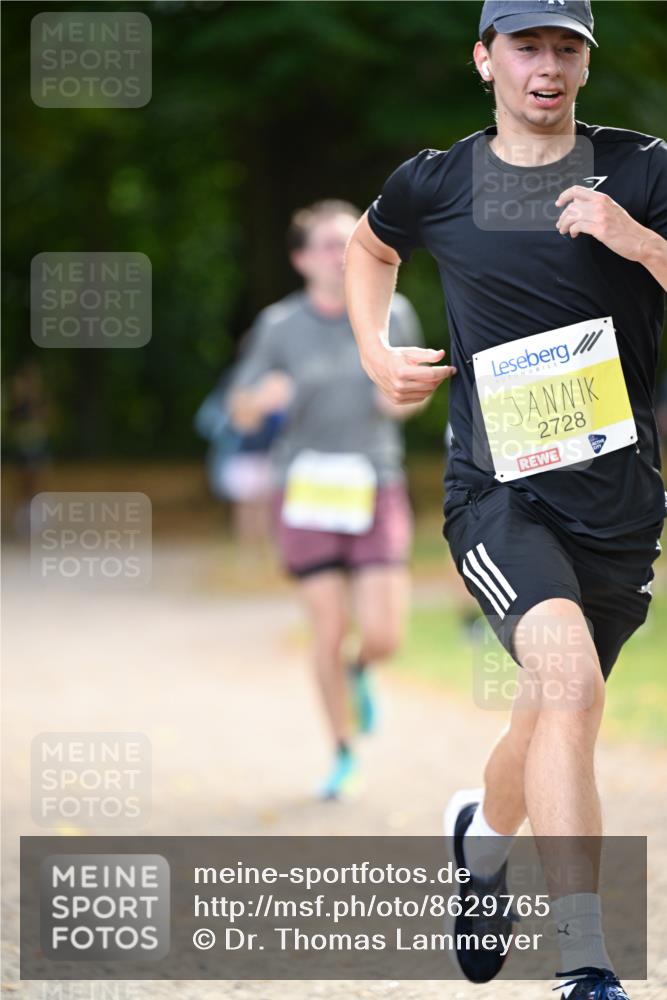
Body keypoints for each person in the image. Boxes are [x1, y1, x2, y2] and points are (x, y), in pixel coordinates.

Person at [345, 1, 666, 997]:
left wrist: (638, 241)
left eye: (566, 48)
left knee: (550, 708)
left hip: (619, 501)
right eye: (526, 46)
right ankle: (584, 963)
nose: (548, 67)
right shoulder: (435, 183)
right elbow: (369, 248)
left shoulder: (645, 170)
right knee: (565, 685)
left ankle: (478, 842)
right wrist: (373, 356)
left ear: (583, 63)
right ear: (485, 58)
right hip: (498, 494)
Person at [229, 200, 427, 799]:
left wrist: (402, 398)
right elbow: (236, 411)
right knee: (328, 624)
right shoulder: (279, 326)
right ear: (299, 258)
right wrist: (261, 399)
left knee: (385, 631)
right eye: (325, 243)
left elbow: (409, 395)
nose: (339, 253)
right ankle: (342, 751)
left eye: (350, 240)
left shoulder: (394, 310)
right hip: (307, 487)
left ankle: (361, 668)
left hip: (374, 481)